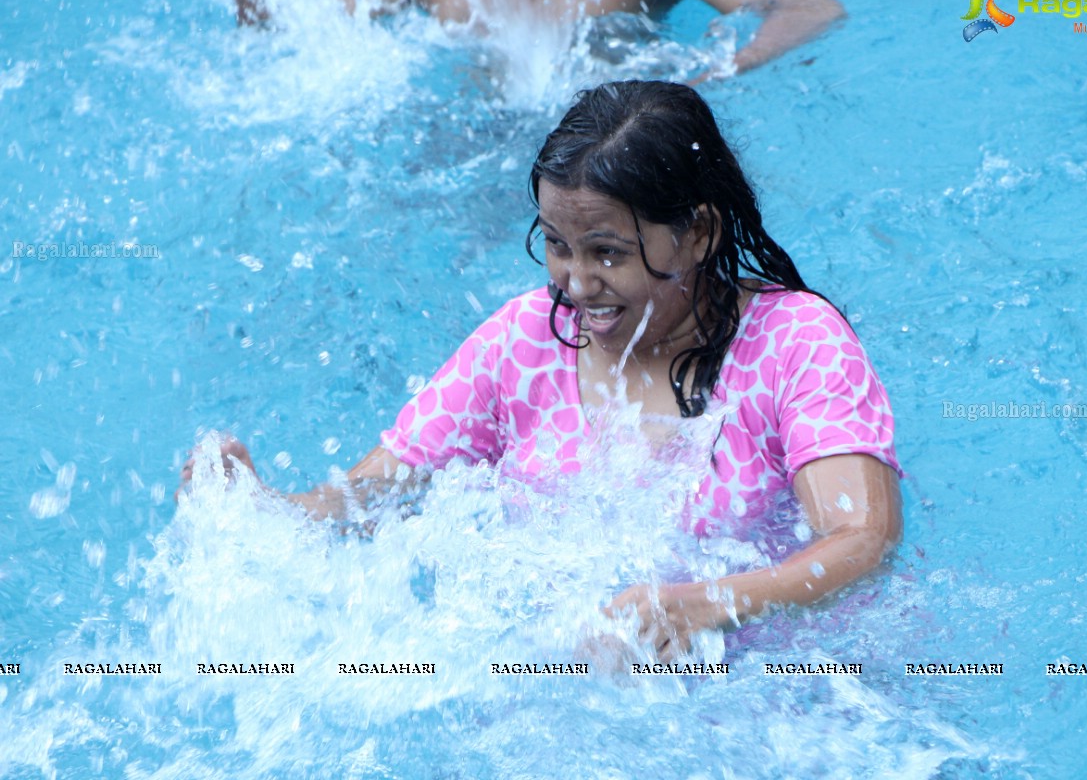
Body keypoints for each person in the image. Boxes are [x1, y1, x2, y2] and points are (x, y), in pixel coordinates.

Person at [179, 80, 901, 661]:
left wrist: (714, 599)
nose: (575, 283)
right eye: (557, 245)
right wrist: (262, 513)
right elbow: (380, 497)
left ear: (700, 232)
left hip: (771, 683)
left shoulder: (795, 342)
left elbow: (861, 540)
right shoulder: (525, 342)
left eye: (608, 253)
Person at [232, 0, 845, 77]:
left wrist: (722, 71)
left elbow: (809, 6)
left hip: (617, 146)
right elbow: (304, 39)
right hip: (474, 145)